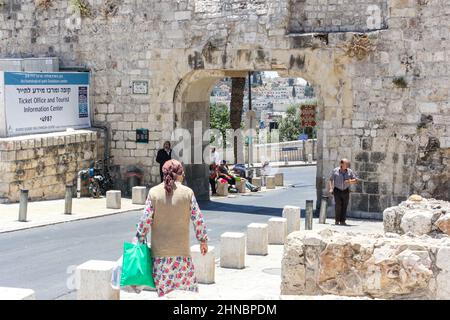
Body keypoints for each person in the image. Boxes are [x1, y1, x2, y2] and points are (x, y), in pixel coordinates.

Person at [133, 159, 208, 297]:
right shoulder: (187, 193)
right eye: (182, 172)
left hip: (159, 258)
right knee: (183, 294)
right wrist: (202, 240)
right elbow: (198, 219)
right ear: (179, 174)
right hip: (182, 256)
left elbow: (144, 222)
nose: (184, 175)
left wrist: (138, 240)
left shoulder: (154, 193)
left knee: (163, 294)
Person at [328, 158, 358, 226]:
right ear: (341, 164)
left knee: (344, 206)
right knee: (338, 206)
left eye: (348, 164)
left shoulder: (350, 171)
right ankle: (337, 220)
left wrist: (349, 181)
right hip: (337, 190)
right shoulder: (335, 170)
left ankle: (343, 221)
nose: (347, 165)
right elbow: (331, 179)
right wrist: (331, 188)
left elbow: (355, 180)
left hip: (345, 190)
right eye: (346, 164)